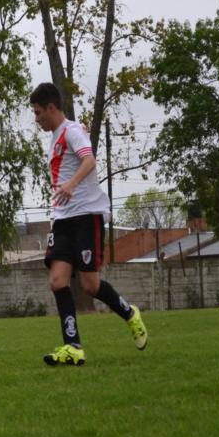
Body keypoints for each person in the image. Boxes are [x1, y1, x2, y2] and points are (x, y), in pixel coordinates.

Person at [30, 83, 147, 366]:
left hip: (86, 217)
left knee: (90, 285)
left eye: (38, 112)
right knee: (57, 281)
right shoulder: (54, 137)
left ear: (51, 107)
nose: (36, 119)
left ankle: (129, 313)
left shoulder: (72, 131)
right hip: (63, 220)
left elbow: (89, 160)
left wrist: (71, 184)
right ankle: (73, 346)